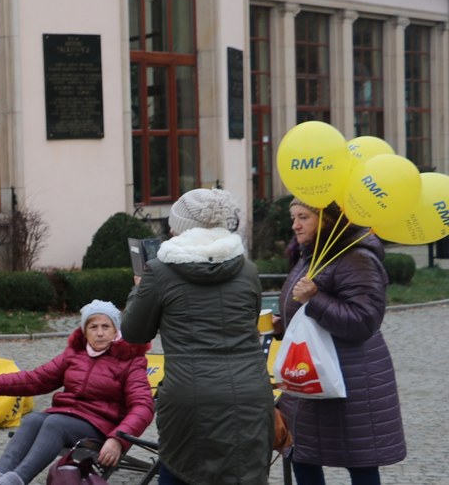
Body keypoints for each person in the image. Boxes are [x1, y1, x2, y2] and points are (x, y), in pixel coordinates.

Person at [120, 187, 274, 485]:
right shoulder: (248, 270)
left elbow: (134, 333)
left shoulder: (159, 271)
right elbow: (249, 322)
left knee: (183, 473)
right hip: (249, 395)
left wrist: (139, 287)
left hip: (189, 398)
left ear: (180, 229)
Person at [278, 200, 405, 485]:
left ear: (329, 221)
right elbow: (302, 307)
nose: (295, 225)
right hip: (312, 371)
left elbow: (363, 321)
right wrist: (279, 323)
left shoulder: (357, 259)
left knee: (359, 460)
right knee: (302, 454)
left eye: (303, 217)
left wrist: (315, 298)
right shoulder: (312, 255)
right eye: (293, 217)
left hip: (351, 378)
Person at [0, 300, 154, 485]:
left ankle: (14, 481)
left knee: (55, 423)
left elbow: (143, 406)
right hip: (67, 415)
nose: (100, 333)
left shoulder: (131, 361)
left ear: (115, 331)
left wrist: (118, 439)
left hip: (101, 425)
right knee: (32, 420)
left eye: (106, 326)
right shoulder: (74, 354)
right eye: (93, 327)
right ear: (84, 332)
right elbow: (36, 379)